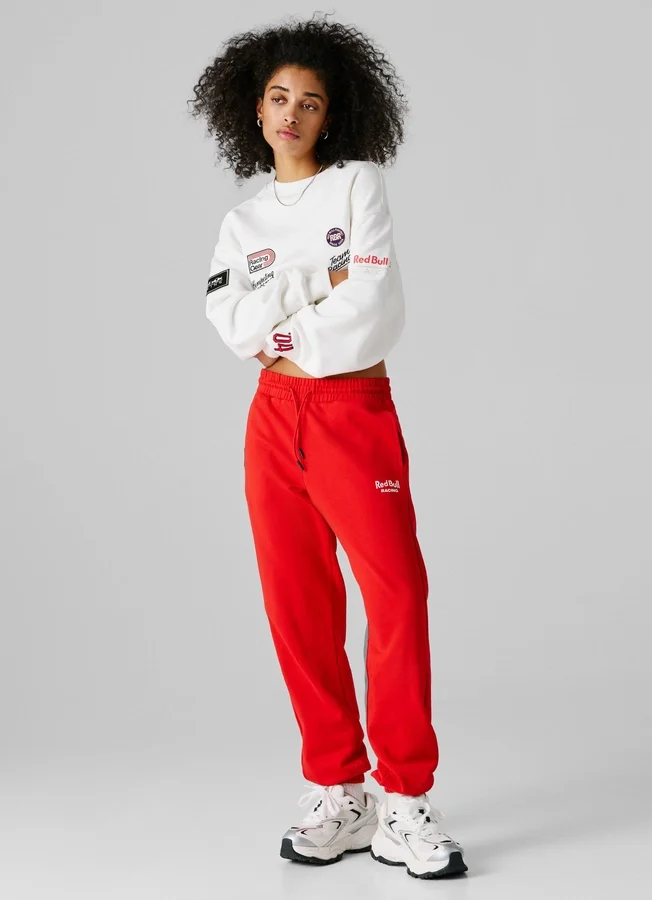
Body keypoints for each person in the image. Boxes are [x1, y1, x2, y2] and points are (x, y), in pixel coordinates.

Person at [188, 13, 468, 880]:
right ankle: (338, 789)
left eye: (309, 102)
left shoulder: (357, 187)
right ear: (254, 108)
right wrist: (317, 285)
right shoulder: (241, 221)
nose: (291, 114)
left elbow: (373, 310)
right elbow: (229, 323)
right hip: (273, 420)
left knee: (397, 594)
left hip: (353, 412)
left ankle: (405, 798)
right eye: (278, 98)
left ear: (332, 114)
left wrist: (280, 317)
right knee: (298, 605)